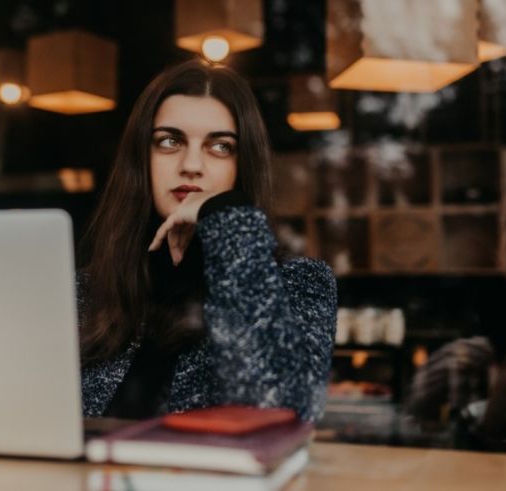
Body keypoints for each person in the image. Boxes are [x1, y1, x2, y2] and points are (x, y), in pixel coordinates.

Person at [77, 59, 337, 421]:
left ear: (242, 165)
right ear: (142, 159)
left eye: (220, 147)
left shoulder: (298, 284)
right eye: (169, 141)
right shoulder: (86, 293)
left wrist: (226, 216)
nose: (192, 164)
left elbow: (284, 412)